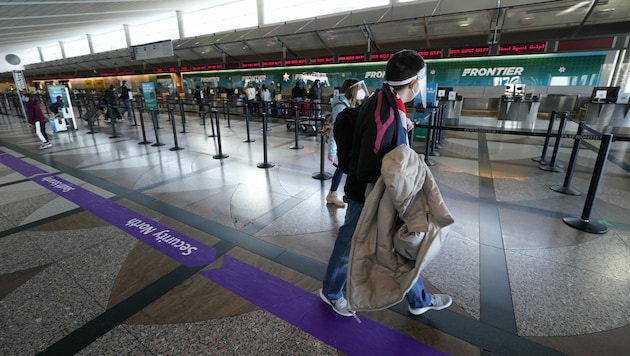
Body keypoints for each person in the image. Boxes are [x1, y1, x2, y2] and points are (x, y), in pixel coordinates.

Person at [319, 49, 452, 317]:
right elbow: (367, 167)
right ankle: (332, 293)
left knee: (397, 243)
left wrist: (401, 125)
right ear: (414, 84)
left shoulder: (384, 99)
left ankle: (418, 299)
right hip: (370, 195)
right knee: (354, 242)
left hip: (379, 193)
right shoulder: (386, 114)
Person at [324, 78, 363, 208]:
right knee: (343, 167)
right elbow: (337, 130)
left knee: (343, 168)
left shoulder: (350, 103)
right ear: (353, 91)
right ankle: (334, 194)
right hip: (345, 145)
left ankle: (335, 194)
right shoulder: (341, 107)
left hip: (349, 144)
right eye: (359, 89)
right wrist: (332, 151)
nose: (362, 91)